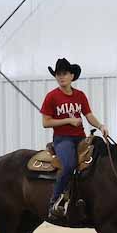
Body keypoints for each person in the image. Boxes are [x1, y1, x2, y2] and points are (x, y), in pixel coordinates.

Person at [39, 57, 110, 220]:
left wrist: (101, 126)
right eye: (58, 74)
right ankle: (54, 201)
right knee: (69, 164)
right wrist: (69, 120)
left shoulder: (80, 96)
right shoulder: (52, 97)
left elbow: (89, 115)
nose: (61, 77)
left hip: (81, 138)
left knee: (98, 161)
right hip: (62, 139)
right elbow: (46, 122)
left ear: (72, 76)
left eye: (64, 74)